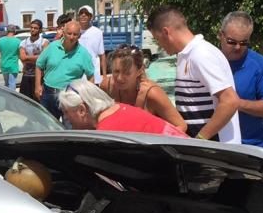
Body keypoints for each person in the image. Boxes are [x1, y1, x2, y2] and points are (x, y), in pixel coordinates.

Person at [147, 5, 241, 143]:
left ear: (166, 32)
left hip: (217, 151)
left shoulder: (201, 54)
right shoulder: (186, 55)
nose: (160, 45)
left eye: (157, 39)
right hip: (205, 150)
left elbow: (230, 101)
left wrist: (201, 139)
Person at [218, 12, 263, 147]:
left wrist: (236, 104)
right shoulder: (207, 61)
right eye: (232, 42)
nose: (237, 47)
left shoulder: (259, 65)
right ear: (220, 35)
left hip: (250, 147)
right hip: (213, 146)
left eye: (243, 43)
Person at [100, 45, 188, 133]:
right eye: (116, 71)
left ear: (139, 71)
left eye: (126, 73)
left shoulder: (152, 94)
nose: (119, 78)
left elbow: (181, 125)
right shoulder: (107, 87)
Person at [58, 79, 188, 137]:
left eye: (66, 112)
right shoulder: (119, 108)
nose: (66, 118)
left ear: (82, 110)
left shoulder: (106, 133)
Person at [35, 21, 94, 118]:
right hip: (48, 93)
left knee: (69, 129)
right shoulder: (53, 46)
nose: (71, 37)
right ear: (64, 33)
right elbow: (39, 65)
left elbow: (91, 75)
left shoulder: (83, 54)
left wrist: (86, 96)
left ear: (79, 36)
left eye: (75, 34)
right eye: (69, 33)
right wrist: (37, 86)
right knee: (47, 126)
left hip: (70, 95)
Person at [18, 20, 49, 100]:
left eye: (35, 28)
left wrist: (28, 57)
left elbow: (44, 58)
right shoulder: (23, 42)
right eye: (31, 27)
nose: (32, 30)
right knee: (25, 101)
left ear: (40, 30)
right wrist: (38, 57)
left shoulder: (44, 42)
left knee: (39, 101)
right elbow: (23, 58)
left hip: (39, 77)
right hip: (26, 76)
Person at [76, 6, 106, 84]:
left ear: (91, 17)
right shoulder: (74, 32)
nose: (83, 15)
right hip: (76, 76)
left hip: (93, 75)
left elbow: (102, 55)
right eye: (81, 13)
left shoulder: (97, 32)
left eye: (86, 14)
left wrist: (105, 76)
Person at [0, 26, 22, 90]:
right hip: (13, 65)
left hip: (3, 65)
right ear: (15, 31)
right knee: (12, 83)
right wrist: (24, 64)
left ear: (7, 31)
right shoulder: (18, 41)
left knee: (6, 83)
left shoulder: (0, 40)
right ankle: (12, 98)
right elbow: (20, 55)